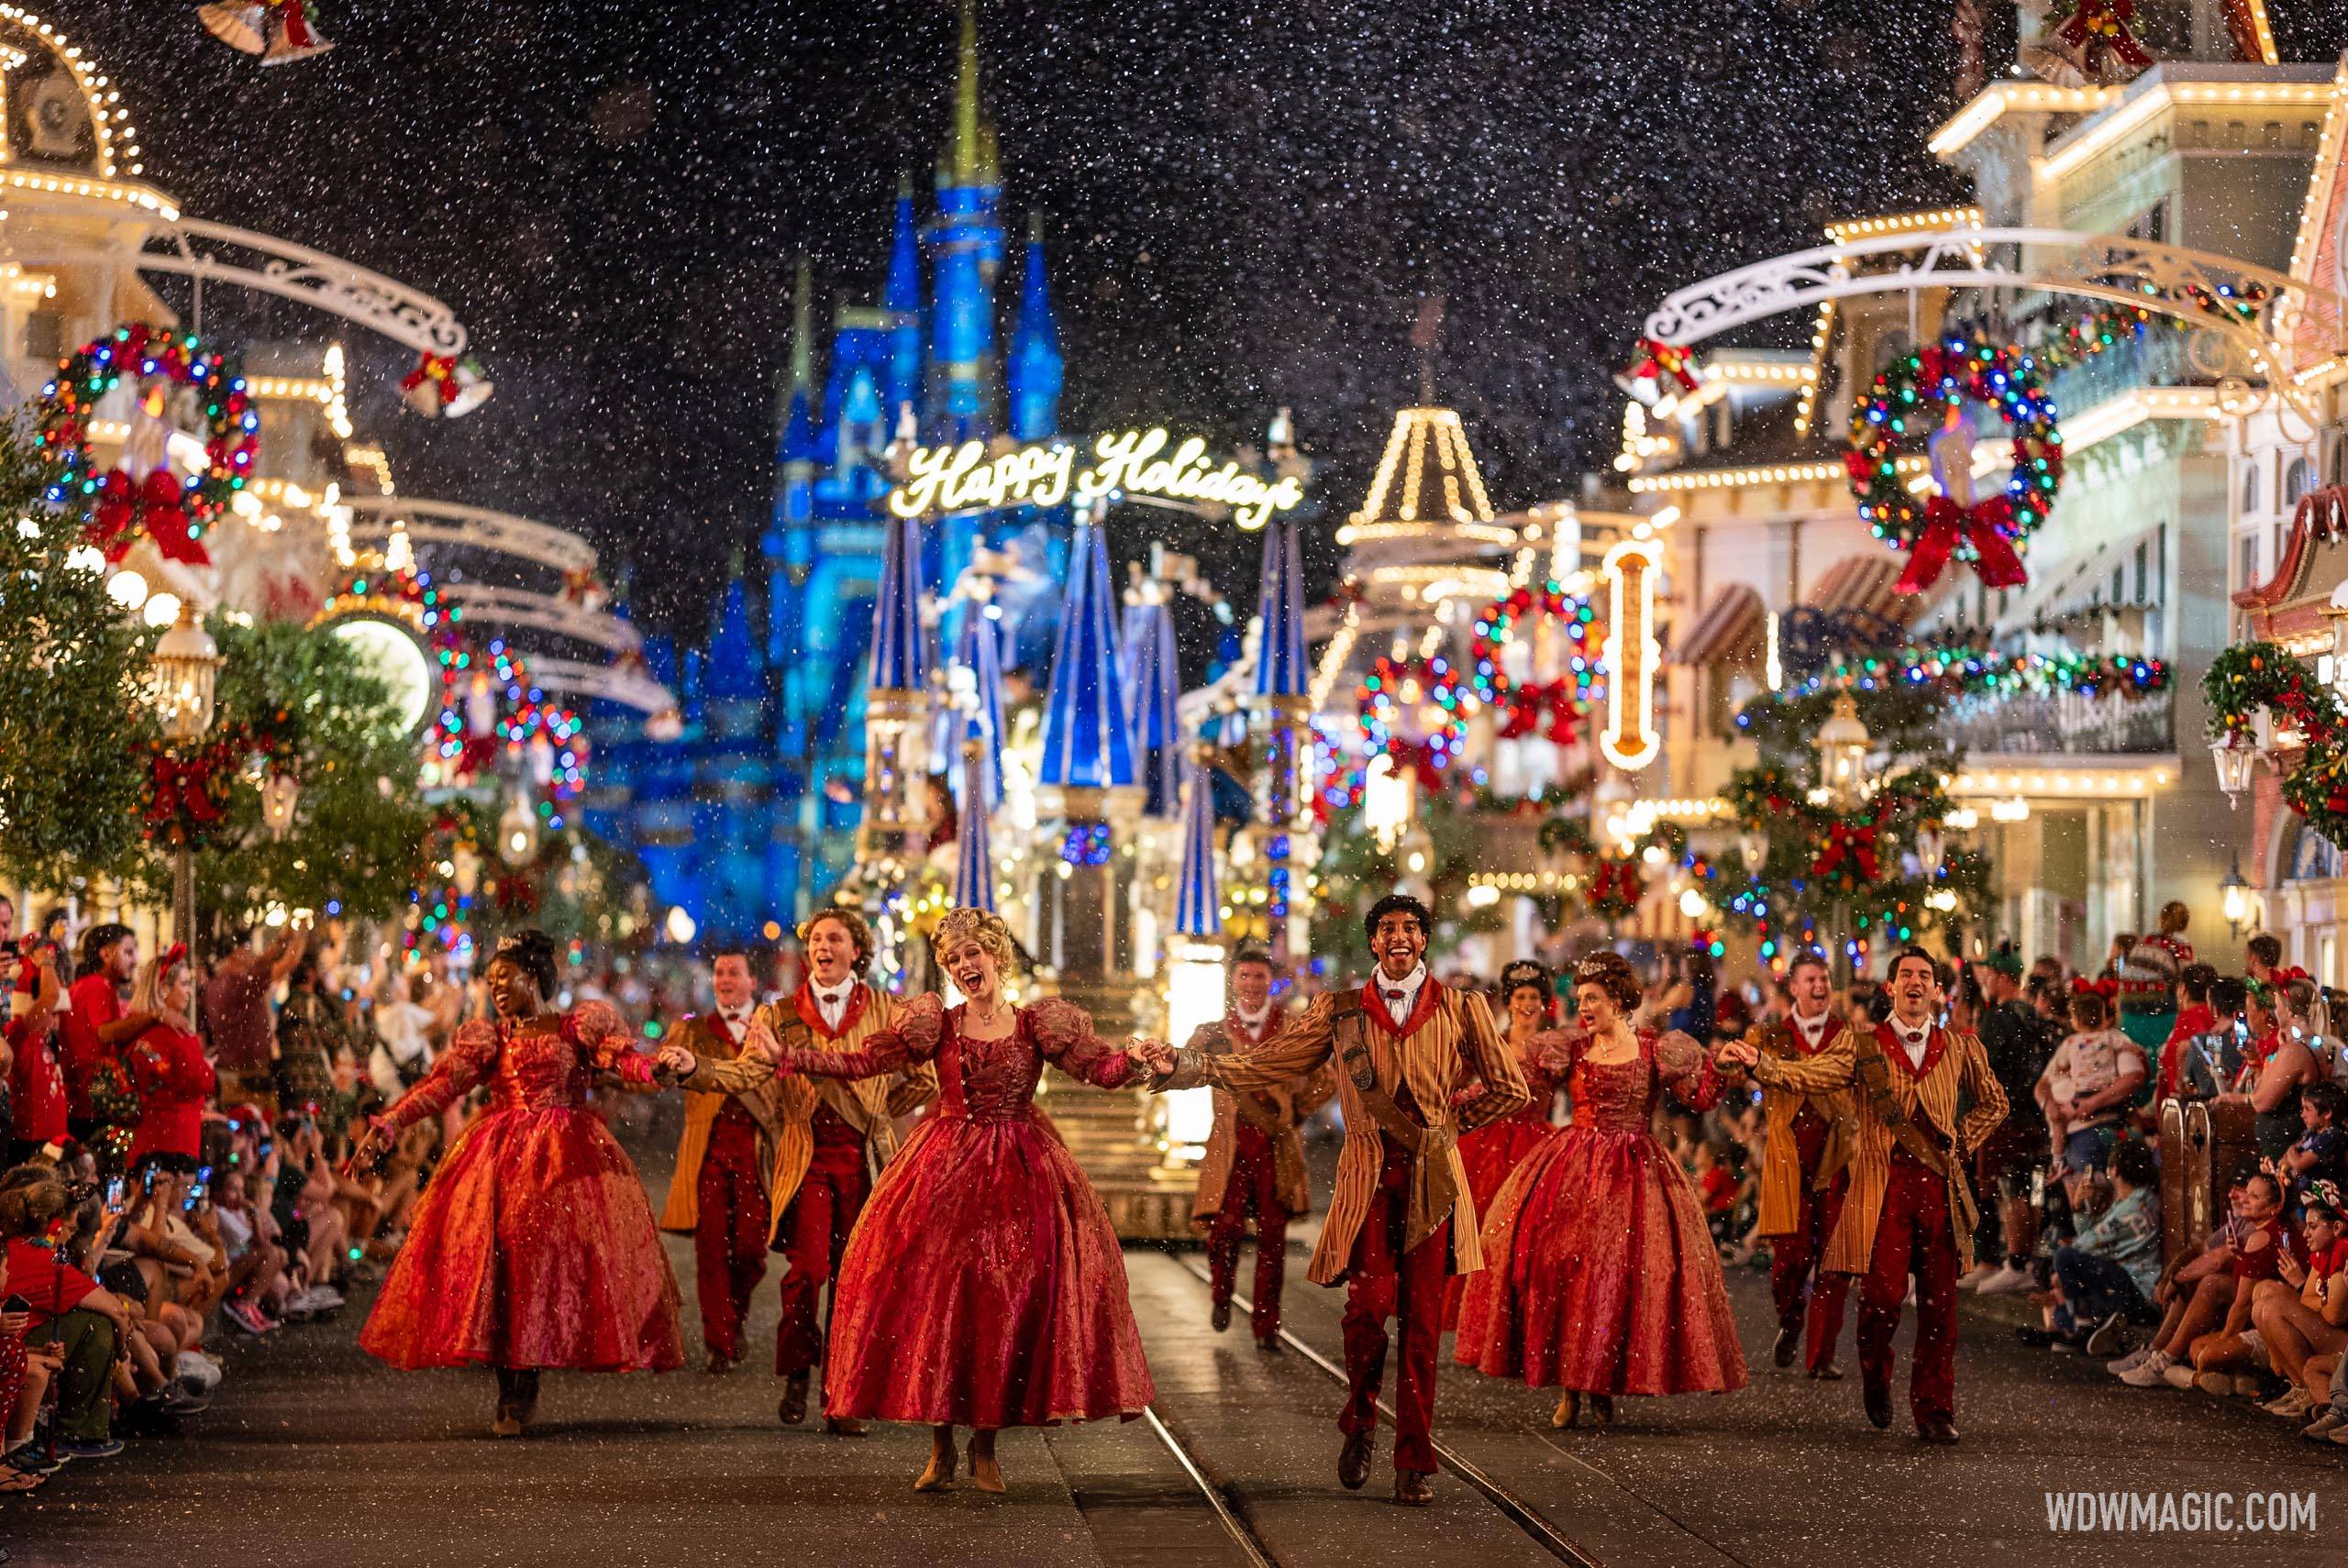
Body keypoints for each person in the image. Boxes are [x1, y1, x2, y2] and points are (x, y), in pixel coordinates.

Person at [668, 908, 1153, 1495]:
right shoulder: (936, 1025)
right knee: (933, 1302)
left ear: (996, 954)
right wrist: (793, 1059)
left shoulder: (1036, 1025)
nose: (964, 966)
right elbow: (865, 1063)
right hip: (943, 1175)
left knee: (998, 1307)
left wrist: (1140, 1059)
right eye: (954, 960)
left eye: (973, 954)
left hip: (1018, 1177)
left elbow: (1099, 1069)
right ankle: (940, 1446)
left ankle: (985, 1447)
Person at [1139, 893, 1531, 1507]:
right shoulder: (1341, 1011)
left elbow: (1511, 1087)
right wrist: (1187, 1067)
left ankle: (1414, 1459)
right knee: (1368, 1311)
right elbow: (1267, 1062)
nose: (1398, 937)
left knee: (1424, 1327)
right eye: (1386, 929)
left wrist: (1452, 1127)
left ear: (1423, 940)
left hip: (1435, 1182)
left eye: (1409, 928)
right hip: (1368, 1179)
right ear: (1373, 942)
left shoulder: (1461, 1007)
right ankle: (1361, 1417)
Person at [348, 928, 683, 1436]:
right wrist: (391, 1123)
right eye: (491, 980)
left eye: (506, 978)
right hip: (499, 1162)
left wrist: (657, 1068)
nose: (497, 988)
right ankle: (513, 1385)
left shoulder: (579, 1025)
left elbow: (624, 1059)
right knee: (501, 1260)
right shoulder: (491, 1036)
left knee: (550, 1266)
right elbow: (443, 1085)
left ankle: (533, 1365)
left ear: (534, 976)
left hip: (566, 1162)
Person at [1722, 946, 2010, 1442]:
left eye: (1925, 976)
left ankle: (1934, 1409)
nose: (1916, 982)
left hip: (1938, 1190)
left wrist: (1962, 1140)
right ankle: (1876, 1380)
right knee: (1879, 1302)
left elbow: (1996, 1102)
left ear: (1937, 991)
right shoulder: (1863, 1046)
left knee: (1942, 1310)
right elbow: (1807, 1075)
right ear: (1891, 989)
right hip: (1882, 1191)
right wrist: (1759, 1064)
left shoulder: (1962, 1047)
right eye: (1906, 976)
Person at [662, 913, 936, 1429]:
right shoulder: (779, 1016)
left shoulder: (887, 1011)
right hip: (806, 1159)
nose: (823, 947)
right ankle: (798, 1372)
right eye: (816, 940)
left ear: (858, 950)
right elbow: (744, 1072)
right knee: (807, 1272)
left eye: (835, 939)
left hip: (865, 1163)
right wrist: (694, 1068)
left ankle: (842, 1394)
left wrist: (877, 1110)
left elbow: (923, 1081)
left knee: (856, 1282)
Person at [1456, 951, 1746, 1428]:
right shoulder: (1570, 1048)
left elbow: (1701, 1094)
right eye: (1581, 999)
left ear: (1618, 999)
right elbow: (1510, 1082)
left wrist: (1728, 1064)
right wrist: (1456, 1102)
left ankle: (1604, 1378)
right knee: (1567, 1270)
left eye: (1592, 999)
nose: (1584, 1008)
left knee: (1624, 1279)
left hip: (1637, 1173)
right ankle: (1571, 1385)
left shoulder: (1656, 1049)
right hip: (1574, 1169)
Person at [1188, 947, 1331, 1350]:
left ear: (1271, 982)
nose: (1252, 985)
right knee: (1224, 1230)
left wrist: (1295, 1112)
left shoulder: (1293, 1028)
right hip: (1229, 1146)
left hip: (1275, 1146)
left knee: (1273, 1238)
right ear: (1233, 982)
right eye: (1245, 976)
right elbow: (1184, 1068)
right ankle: (1221, 1294)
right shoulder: (1214, 1032)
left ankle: (1267, 1324)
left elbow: (1327, 1075)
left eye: (1259, 977)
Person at [655, 947, 773, 1377]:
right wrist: (653, 1071)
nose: (725, 980)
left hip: (757, 1155)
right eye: (719, 973)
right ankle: (717, 1342)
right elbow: (661, 1074)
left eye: (733, 973)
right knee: (710, 1250)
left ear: (751, 982)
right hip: (707, 1153)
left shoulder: (770, 1030)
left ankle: (734, 1318)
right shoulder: (693, 1031)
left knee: (750, 1251)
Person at [1742, 950, 1855, 1379]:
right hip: (1788, 1162)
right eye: (1811, 980)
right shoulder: (1770, 1038)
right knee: (1789, 1262)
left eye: (1823, 979)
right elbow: (1736, 1075)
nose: (1820, 986)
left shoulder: (1848, 1037)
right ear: (1793, 987)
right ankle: (1791, 1321)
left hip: (1836, 1162)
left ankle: (1821, 1355)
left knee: (1835, 1261)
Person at [1443, 962, 1567, 1327]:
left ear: (1544, 1003)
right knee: (1482, 1230)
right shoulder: (1491, 1042)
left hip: (1537, 1143)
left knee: (1532, 1233)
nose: (1527, 1004)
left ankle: (1525, 1317)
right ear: (1509, 1002)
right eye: (1520, 997)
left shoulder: (1556, 1047)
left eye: (1533, 997)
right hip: (1491, 1143)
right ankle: (1483, 1318)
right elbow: (1454, 1073)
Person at [2033, 1137, 2162, 1354]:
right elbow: (2093, 1240)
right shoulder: (2143, 1198)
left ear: (2114, 1170)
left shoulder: (2129, 1208)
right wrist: (2080, 1208)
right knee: (2063, 1264)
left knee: (2063, 1257)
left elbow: (2083, 1245)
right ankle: (2079, 1324)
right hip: (2138, 1288)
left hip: (2139, 1293)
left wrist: (2077, 1211)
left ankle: (2083, 1326)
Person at [2247, 1181, 2346, 1417]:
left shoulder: (2344, 1249)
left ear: (2337, 1228)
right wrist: (2318, 1299)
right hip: (2330, 1329)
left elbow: (2334, 1316)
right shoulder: (2322, 1252)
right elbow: (2308, 1298)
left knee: (2273, 1308)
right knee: (2263, 1292)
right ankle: (2298, 1386)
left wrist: (2311, 1295)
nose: (2305, 1233)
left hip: (2344, 1341)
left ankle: (2305, 1389)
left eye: (2313, 1227)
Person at [59, 924, 151, 1166]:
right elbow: (106, 1032)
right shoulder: (98, 986)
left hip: (85, 1101)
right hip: (91, 1104)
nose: (134, 960)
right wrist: (153, 1016)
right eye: (128, 952)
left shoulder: (89, 985)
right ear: (106, 953)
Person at [123, 947, 213, 1177]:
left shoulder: (135, 1027)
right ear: (163, 989)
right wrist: (207, 1068)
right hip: (177, 1140)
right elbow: (199, 1081)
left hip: (144, 1140)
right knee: (170, 1211)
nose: (189, 992)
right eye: (183, 984)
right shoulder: (177, 1035)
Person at [2038, 988, 2145, 1176]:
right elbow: (2131, 1049)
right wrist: (2137, 1051)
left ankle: (2056, 1160)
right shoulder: (2111, 1037)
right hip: (2107, 1101)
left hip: (2087, 1107)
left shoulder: (2071, 1043)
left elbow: (2133, 1077)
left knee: (2058, 1120)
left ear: (2076, 1021)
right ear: (2104, 1015)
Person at [202, 925, 305, 1116]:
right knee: (260, 1137)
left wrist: (282, 940)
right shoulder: (240, 983)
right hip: (250, 1082)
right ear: (236, 953)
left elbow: (259, 962)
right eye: (248, 947)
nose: (253, 952)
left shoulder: (216, 982)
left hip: (229, 1078)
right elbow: (289, 963)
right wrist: (302, 934)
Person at [6, 948, 66, 1167]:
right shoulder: (19, 1031)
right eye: (54, 1012)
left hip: (51, 1139)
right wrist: (45, 961)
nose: (57, 1018)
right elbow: (51, 995)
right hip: (29, 1141)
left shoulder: (45, 1038)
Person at [2154, 963, 2219, 1107]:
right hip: (2206, 1105)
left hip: (2188, 1107)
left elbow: (2194, 1053)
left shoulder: (2189, 1017)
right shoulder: (2216, 1017)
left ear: (2183, 989)